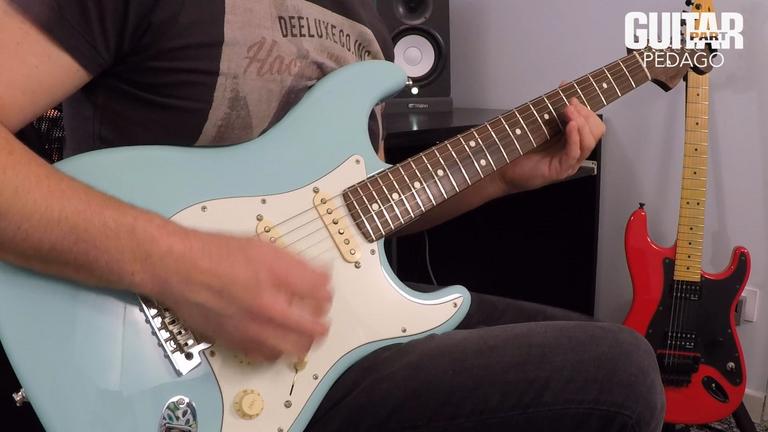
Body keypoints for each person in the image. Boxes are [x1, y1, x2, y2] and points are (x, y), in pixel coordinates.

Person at [0, 1, 665, 431]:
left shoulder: (362, 19)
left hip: (330, 323)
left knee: (595, 349)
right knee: (618, 372)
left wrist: (501, 176)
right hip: (164, 356)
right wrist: (184, 268)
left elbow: (357, 210)